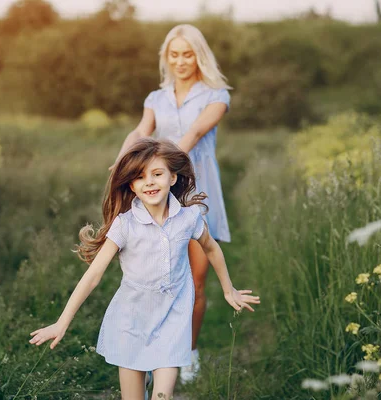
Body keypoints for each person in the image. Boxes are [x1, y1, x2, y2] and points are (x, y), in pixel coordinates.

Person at [30, 138, 259, 400]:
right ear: (132, 185)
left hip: (173, 316)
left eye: (157, 174)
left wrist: (229, 290)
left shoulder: (189, 218)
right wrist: (62, 322)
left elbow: (211, 248)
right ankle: (143, 374)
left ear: (172, 178)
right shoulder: (125, 225)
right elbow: (93, 276)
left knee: (163, 396)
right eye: (140, 177)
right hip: (131, 320)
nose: (149, 182)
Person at [110, 24, 232, 383]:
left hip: (198, 191)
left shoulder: (217, 95)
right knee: (154, 277)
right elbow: (140, 131)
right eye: (174, 54)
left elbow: (192, 134)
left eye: (188, 53)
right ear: (167, 57)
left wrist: (159, 161)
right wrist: (122, 161)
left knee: (195, 279)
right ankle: (151, 354)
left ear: (199, 56)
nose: (181, 61)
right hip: (158, 191)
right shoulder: (155, 98)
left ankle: (187, 351)